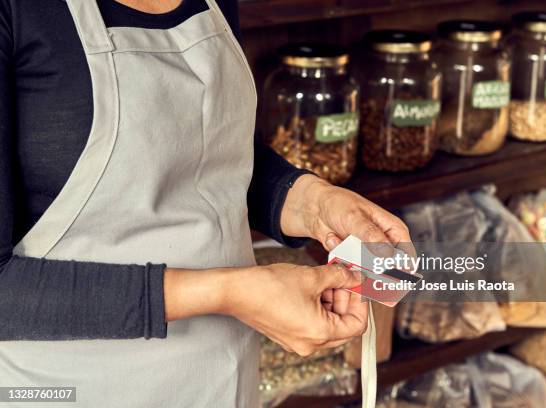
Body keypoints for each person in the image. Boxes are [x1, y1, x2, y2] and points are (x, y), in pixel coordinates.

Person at [0, 0, 412, 406]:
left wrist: (311, 201)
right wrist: (227, 292)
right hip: (70, 387)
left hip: (221, 377)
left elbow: (205, 158)